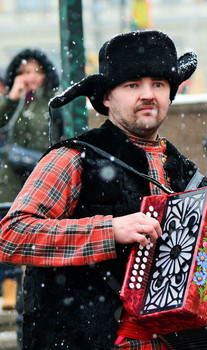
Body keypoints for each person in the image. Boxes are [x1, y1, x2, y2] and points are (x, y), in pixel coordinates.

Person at [0, 31, 207, 350]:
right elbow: (12, 234)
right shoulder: (74, 158)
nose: (148, 94)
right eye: (132, 85)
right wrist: (109, 230)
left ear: (170, 94)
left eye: (158, 84)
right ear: (106, 98)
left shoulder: (186, 175)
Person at [0, 48, 63, 348]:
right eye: (24, 71)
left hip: (40, 187)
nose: (30, 77)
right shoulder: (11, 102)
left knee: (34, 263)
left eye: (35, 71)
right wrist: (12, 100)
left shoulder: (52, 101)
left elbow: (50, 137)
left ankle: (29, 325)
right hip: (9, 189)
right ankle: (13, 303)